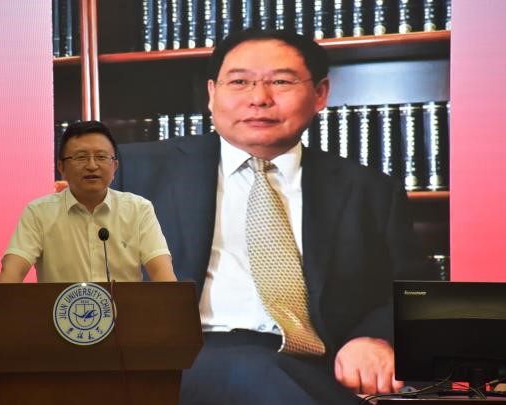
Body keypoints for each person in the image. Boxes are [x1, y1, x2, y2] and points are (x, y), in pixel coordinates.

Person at [113, 29, 433, 404]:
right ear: (212, 94)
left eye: (281, 82)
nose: (259, 99)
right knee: (251, 367)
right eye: (239, 82)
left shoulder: (369, 190)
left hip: (312, 366)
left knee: (266, 372)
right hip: (181, 360)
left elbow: (412, 290)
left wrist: (375, 338)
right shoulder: (133, 171)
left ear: (320, 94)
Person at [0, 120, 176, 283]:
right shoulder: (39, 212)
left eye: (101, 157)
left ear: (114, 167)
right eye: (81, 157)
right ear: (61, 168)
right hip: (59, 309)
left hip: (124, 309)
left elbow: (162, 272)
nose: (92, 165)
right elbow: (12, 272)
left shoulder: (138, 209)